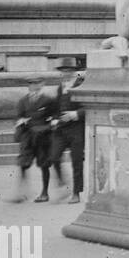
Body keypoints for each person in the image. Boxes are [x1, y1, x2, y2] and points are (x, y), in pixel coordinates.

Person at [15, 72, 62, 203]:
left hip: (43, 136)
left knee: (44, 165)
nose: (33, 86)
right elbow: (19, 116)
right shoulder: (23, 101)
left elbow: (56, 114)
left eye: (36, 83)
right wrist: (21, 121)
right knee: (23, 163)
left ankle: (44, 193)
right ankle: (22, 192)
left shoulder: (48, 100)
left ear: (42, 84)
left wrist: (53, 122)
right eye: (31, 83)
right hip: (28, 136)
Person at [50, 57, 86, 205]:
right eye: (63, 71)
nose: (65, 74)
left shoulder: (81, 85)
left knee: (76, 162)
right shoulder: (60, 87)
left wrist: (75, 114)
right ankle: (62, 184)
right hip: (61, 130)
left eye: (68, 71)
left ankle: (76, 193)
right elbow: (57, 108)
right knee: (53, 157)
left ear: (74, 71)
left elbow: (88, 107)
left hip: (76, 129)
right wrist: (54, 119)